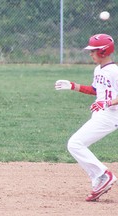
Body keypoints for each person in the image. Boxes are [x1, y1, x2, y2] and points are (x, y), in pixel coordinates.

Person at [55, 33, 118, 201]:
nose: (90, 54)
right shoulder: (98, 69)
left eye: (94, 51)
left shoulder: (114, 71)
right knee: (78, 145)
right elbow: (96, 91)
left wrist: (107, 103)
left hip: (110, 115)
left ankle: (103, 176)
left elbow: (107, 99)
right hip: (102, 113)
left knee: (75, 144)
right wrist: (73, 86)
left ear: (104, 52)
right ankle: (99, 179)